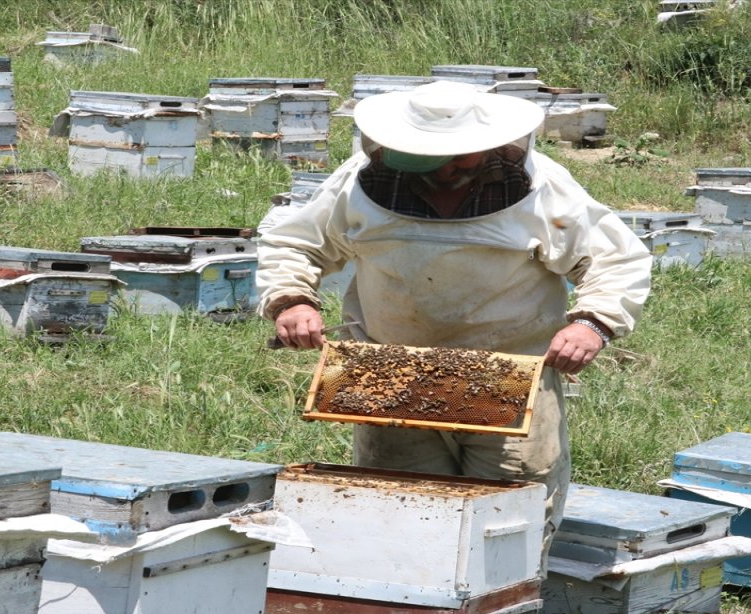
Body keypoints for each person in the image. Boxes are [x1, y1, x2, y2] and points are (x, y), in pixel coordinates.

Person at [255, 80, 652, 559]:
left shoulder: (543, 187)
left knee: (510, 520)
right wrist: (292, 300)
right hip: (389, 373)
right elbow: (296, 241)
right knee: (398, 512)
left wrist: (593, 322)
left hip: (511, 375)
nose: (446, 169)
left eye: (459, 157)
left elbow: (615, 259)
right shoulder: (356, 184)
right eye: (429, 158)